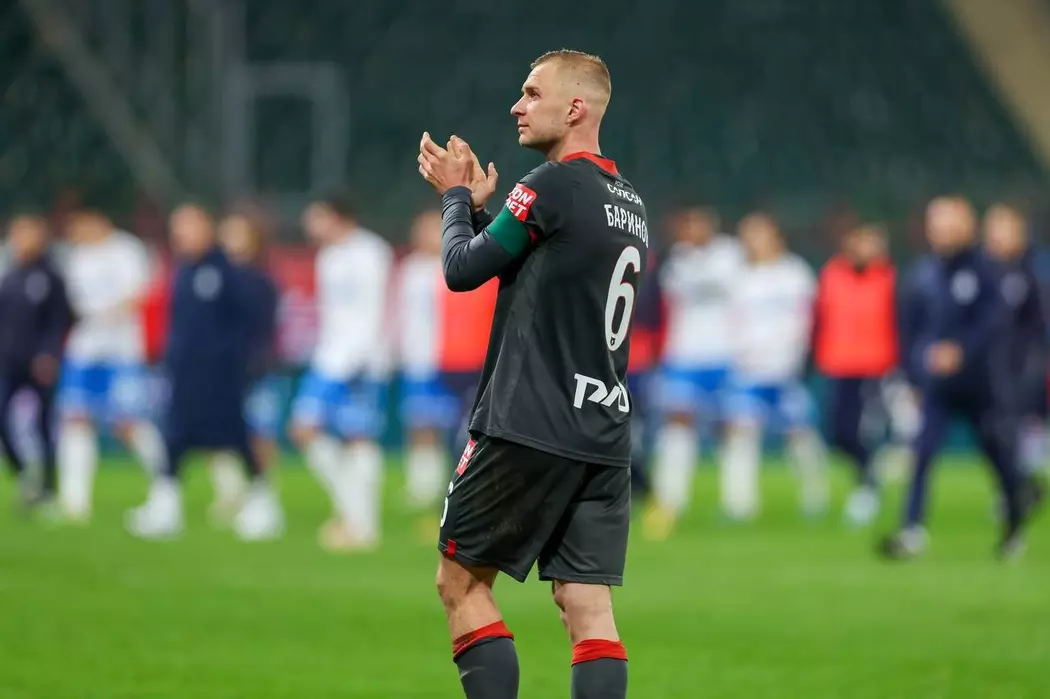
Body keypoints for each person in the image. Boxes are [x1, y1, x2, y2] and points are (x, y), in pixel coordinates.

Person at [417, 49, 644, 699]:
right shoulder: (628, 201)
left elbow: (461, 269)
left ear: (574, 108)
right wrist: (481, 216)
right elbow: (536, 270)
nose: (517, 106)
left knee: (460, 582)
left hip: (527, 422)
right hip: (602, 430)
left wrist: (454, 198)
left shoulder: (549, 184)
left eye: (532, 93)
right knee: (586, 605)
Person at [883, 196, 1037, 559]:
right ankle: (910, 530)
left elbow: (994, 321)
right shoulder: (925, 274)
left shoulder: (986, 269)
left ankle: (1014, 522)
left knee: (997, 456)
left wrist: (962, 351)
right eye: (934, 224)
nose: (938, 231)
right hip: (939, 386)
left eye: (946, 223)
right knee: (922, 453)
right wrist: (913, 376)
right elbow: (910, 328)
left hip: (981, 385)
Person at [126, 204, 284, 539]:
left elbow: (249, 327)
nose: (181, 234)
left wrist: (241, 367)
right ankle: (165, 509)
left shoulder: (230, 273)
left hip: (222, 378)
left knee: (238, 440)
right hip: (185, 375)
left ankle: (263, 506)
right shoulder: (184, 271)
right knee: (174, 442)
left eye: (188, 226)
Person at [291, 193, 393, 552]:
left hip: (363, 361)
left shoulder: (371, 252)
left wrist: (358, 360)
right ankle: (354, 516)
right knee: (305, 430)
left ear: (336, 217)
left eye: (316, 217)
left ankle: (363, 525)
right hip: (330, 359)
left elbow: (374, 311)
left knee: (358, 436)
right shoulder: (328, 256)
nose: (310, 224)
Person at [56, 204, 166, 522]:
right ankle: (74, 502)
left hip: (121, 351)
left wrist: (106, 314)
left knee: (128, 422)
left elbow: (140, 295)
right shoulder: (76, 256)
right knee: (76, 419)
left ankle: (165, 481)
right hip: (84, 351)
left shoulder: (127, 250)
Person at [720, 212, 827, 520]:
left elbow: (806, 321)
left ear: (775, 236)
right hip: (749, 370)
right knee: (741, 433)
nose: (752, 241)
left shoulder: (794, 274)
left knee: (799, 434)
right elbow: (731, 324)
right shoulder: (739, 278)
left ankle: (815, 498)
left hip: (785, 370)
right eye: (747, 235)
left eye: (758, 234)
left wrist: (794, 356)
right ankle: (739, 504)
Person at [395, 209, 496, 532]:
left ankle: (453, 488)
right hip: (418, 356)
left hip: (454, 358)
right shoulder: (410, 269)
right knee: (420, 422)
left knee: (455, 426)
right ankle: (423, 486)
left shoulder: (455, 265)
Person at [645, 206, 742, 539]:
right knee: (677, 424)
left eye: (700, 224)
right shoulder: (677, 260)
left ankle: (737, 502)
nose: (694, 231)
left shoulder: (729, 253)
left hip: (725, 354)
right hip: (684, 354)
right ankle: (671, 500)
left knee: (728, 428)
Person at [813, 223, 899, 525]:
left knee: (865, 430)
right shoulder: (832, 275)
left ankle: (867, 486)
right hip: (837, 364)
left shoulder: (888, 278)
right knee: (836, 434)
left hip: (875, 367)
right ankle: (869, 472)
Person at [206, 212, 283, 523]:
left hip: (256, 368)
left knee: (259, 435)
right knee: (217, 434)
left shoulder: (261, 280)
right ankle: (231, 494)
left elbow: (261, 329)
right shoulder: (211, 277)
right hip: (219, 370)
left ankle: (263, 496)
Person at [0, 215, 72, 509]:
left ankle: (49, 490)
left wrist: (49, 353)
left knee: (44, 426)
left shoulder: (51, 276)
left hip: (41, 363)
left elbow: (60, 319)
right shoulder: (10, 275)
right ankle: (23, 473)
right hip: (9, 360)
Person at [983, 203, 1048, 479]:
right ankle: (1014, 486)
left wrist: (1036, 362)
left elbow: (1039, 323)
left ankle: (1020, 483)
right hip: (989, 365)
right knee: (991, 430)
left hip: (1022, 365)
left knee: (1013, 429)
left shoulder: (1032, 270)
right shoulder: (983, 271)